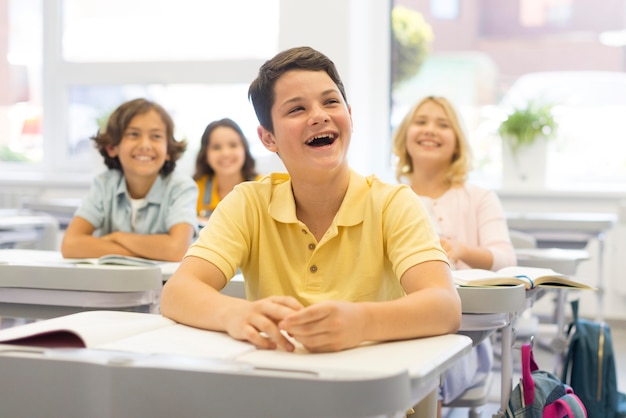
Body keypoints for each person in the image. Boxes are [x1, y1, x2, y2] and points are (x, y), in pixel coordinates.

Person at [160, 46, 461, 356]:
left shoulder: (393, 203)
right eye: (296, 109)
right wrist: (234, 314)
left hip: (373, 396)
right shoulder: (247, 203)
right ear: (268, 138)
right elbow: (177, 293)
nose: (319, 116)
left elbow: (445, 306)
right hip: (275, 386)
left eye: (331, 102)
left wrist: (363, 322)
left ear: (350, 116)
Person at [392, 95, 516, 410]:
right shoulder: (387, 196)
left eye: (442, 124)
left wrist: (460, 250)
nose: (430, 130)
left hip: (465, 340)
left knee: (426, 372)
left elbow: (505, 259)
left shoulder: (479, 197)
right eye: (420, 122)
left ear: (458, 141)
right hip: (395, 326)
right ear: (405, 135)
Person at [61, 98, 198, 262]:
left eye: (156, 136)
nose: (145, 145)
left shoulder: (181, 187)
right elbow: (70, 244)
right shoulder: (104, 185)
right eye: (133, 134)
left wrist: (117, 237)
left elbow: (176, 250)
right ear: (112, 147)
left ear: (168, 150)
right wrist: (151, 252)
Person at [193, 118, 259, 223]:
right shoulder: (194, 190)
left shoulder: (264, 187)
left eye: (233, 145)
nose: (225, 153)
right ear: (205, 154)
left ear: (244, 150)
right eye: (216, 147)